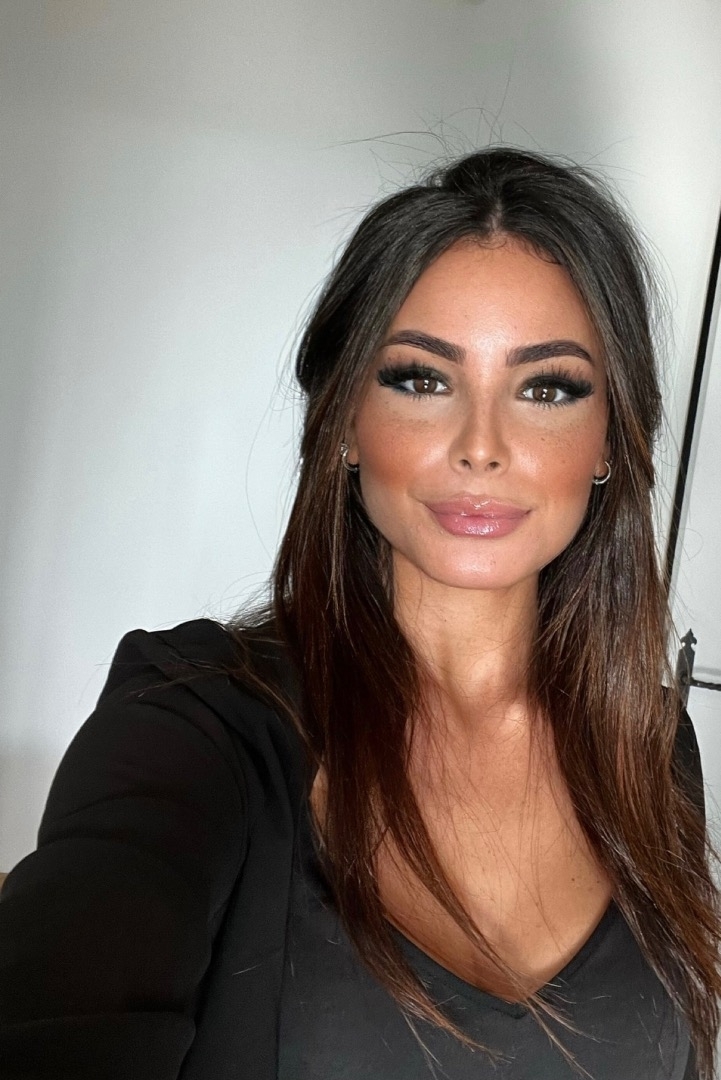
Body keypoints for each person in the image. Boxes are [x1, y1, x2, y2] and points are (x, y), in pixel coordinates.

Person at [0, 147, 718, 1080]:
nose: (481, 447)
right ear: (343, 418)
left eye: (546, 388)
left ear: (609, 441)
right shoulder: (198, 724)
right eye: (421, 379)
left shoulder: (650, 747)